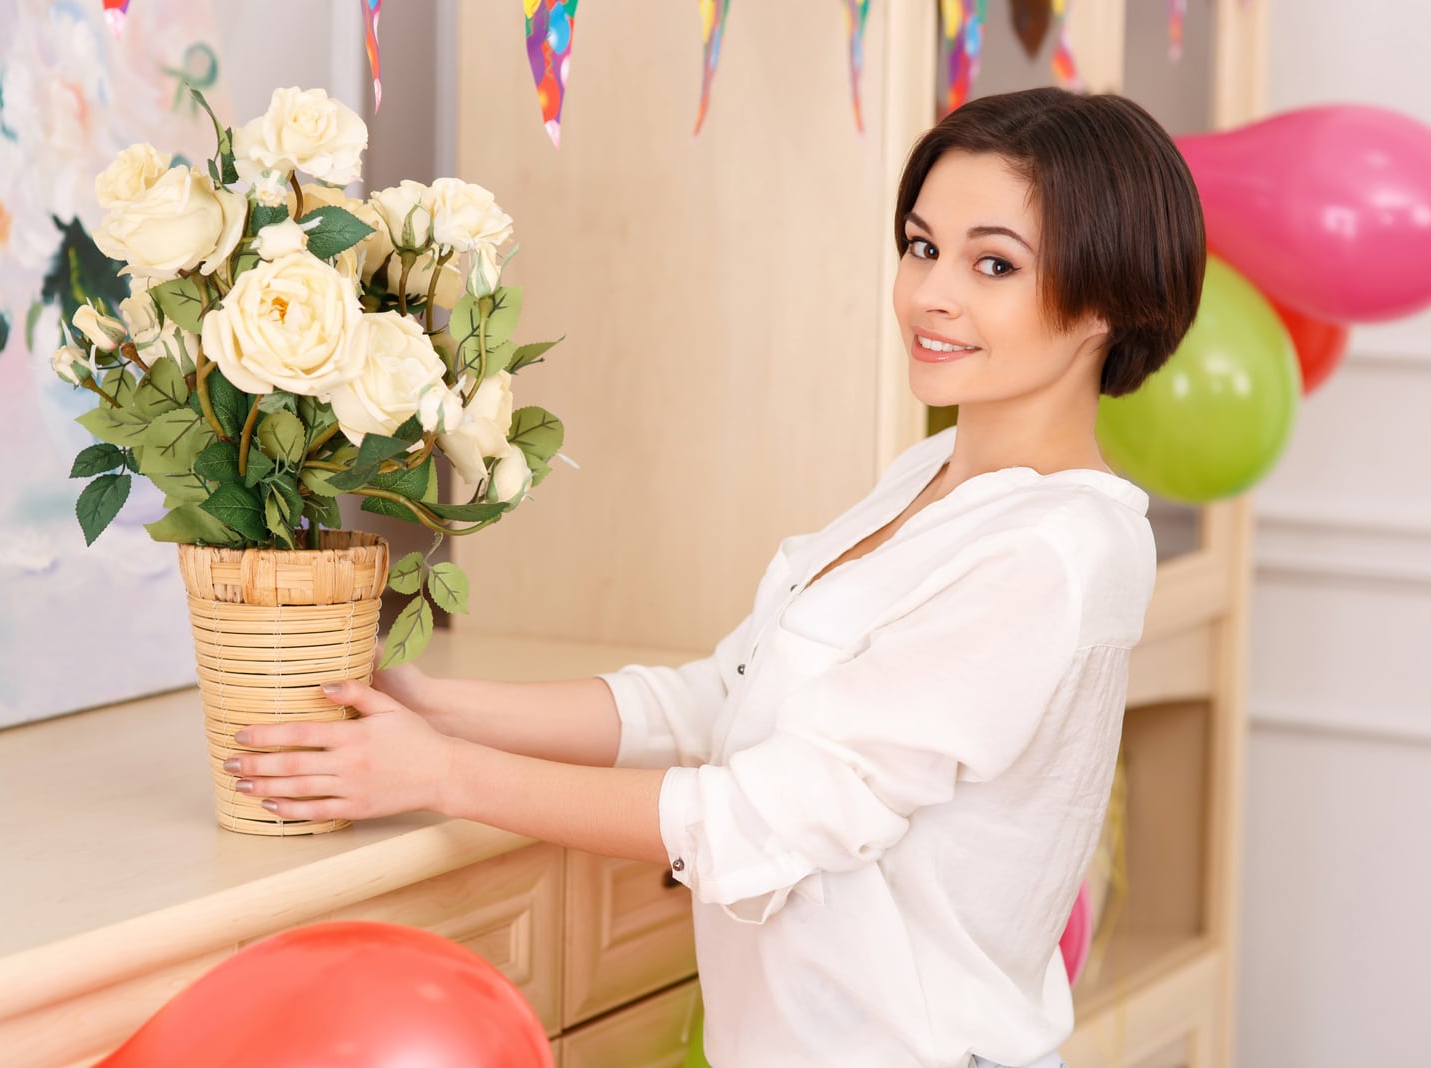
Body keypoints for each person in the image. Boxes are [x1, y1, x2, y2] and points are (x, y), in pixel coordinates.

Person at [227, 86, 1205, 1068]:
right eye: (921, 246)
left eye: (993, 263)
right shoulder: (933, 479)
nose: (931, 293)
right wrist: (439, 708)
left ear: (1108, 302)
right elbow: (717, 701)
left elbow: (767, 816)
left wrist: (445, 775)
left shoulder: (1055, 547)